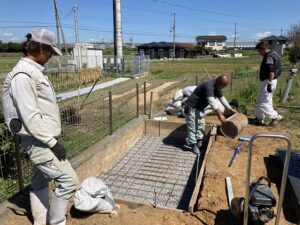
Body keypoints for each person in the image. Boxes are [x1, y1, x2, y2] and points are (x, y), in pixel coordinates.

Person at [2, 28, 78, 225]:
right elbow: (31, 117)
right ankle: (56, 222)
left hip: (42, 139)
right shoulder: (23, 75)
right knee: (69, 181)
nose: (51, 56)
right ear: (41, 48)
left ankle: (40, 221)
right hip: (39, 141)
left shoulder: (33, 71)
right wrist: (53, 143)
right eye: (51, 51)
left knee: (39, 181)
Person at [184, 75, 236, 155]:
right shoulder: (209, 86)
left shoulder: (217, 87)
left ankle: (199, 141)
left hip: (199, 108)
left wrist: (229, 108)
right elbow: (212, 103)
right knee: (192, 127)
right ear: (218, 82)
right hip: (191, 107)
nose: (223, 88)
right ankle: (193, 145)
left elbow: (222, 98)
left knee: (200, 125)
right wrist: (220, 116)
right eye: (223, 86)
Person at [254, 41, 283, 126]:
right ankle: (259, 118)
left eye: (259, 51)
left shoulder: (269, 56)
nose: (259, 53)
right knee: (264, 100)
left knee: (263, 102)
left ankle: (275, 116)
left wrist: (269, 82)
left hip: (269, 80)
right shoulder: (274, 53)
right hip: (272, 80)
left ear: (263, 49)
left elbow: (271, 70)